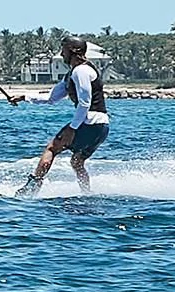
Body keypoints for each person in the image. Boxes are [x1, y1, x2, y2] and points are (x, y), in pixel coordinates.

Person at [8, 35, 110, 192]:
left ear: (73, 51)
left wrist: (73, 128)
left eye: (63, 50)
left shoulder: (81, 71)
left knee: (51, 149)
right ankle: (87, 194)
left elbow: (84, 103)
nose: (62, 55)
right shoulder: (72, 74)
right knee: (76, 162)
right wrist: (24, 97)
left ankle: (31, 190)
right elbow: (51, 98)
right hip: (101, 126)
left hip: (89, 121)